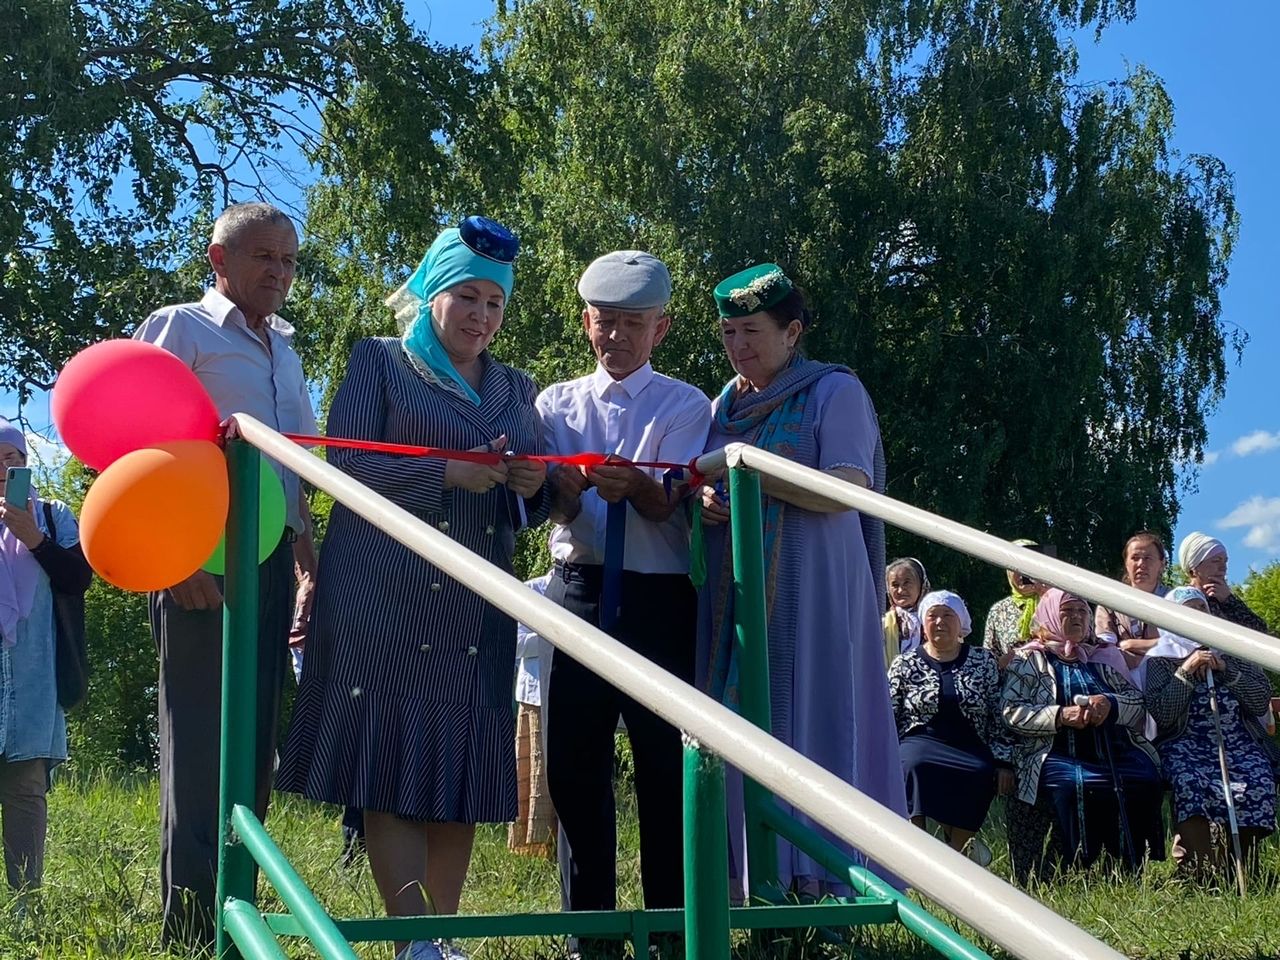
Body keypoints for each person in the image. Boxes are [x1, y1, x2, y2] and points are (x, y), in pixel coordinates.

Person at [277, 217, 546, 960]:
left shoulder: (519, 387)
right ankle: (410, 939)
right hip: (381, 592)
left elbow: (544, 494)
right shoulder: (378, 363)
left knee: (459, 764)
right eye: (467, 296)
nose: (481, 316)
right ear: (430, 292)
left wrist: (532, 480)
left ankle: (442, 937)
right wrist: (445, 473)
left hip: (472, 599)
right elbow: (343, 468)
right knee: (388, 762)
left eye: (495, 303)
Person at [133, 202, 318, 948]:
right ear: (219, 260)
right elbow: (134, 447)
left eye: (289, 261)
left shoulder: (287, 348)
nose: (278, 272)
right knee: (203, 746)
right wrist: (169, 560)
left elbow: (293, 460)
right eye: (263, 257)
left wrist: (307, 553)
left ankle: (236, 913)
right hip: (197, 558)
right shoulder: (180, 327)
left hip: (271, 558)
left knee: (255, 742)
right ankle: (190, 927)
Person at [695, 263, 906, 898]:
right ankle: (747, 883)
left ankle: (823, 882)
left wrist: (745, 479)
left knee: (815, 719)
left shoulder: (833, 391)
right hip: (740, 598)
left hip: (814, 595)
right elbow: (708, 481)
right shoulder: (720, 407)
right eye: (728, 333)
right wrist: (709, 502)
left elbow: (846, 488)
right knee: (739, 724)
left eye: (752, 331)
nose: (739, 347)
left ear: (793, 333)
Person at [537, 250, 710, 939]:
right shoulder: (554, 402)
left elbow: (670, 503)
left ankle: (671, 929)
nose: (617, 338)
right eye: (605, 323)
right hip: (576, 591)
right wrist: (557, 492)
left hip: (659, 600)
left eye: (632, 325)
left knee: (665, 767)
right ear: (585, 323)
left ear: (660, 330)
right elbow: (546, 506)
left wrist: (640, 488)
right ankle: (593, 936)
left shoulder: (686, 404)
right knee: (574, 767)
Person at [1001, 589, 1165, 882]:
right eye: (1067, 611)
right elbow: (1011, 711)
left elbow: (1137, 702)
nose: (1076, 617)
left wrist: (1110, 705)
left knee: (1143, 777)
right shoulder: (1029, 658)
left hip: (1114, 750)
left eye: (1082, 612)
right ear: (1050, 614)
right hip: (1053, 752)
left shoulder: (1104, 656)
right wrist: (1060, 716)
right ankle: (1075, 867)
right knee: (1075, 784)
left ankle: (1127, 867)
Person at [0, 421, 92, 894]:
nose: (1, 469)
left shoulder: (53, 517)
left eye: (10, 459)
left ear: (24, 465)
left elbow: (79, 579)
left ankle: (25, 901)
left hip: (36, 674)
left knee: (25, 787)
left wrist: (31, 537)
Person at [1145, 586, 1279, 876]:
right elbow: (1163, 714)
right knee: (1189, 780)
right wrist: (1186, 673)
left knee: (1258, 778)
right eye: (1188, 611)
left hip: (1238, 742)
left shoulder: (1233, 651)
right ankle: (1201, 869)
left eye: (1201, 609)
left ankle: (1239, 865)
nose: (1197, 617)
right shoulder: (1160, 659)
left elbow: (1259, 699)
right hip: (1185, 743)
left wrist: (1228, 670)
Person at [887, 591, 1013, 865]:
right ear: (923, 623)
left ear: (962, 623)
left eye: (948, 615)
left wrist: (1004, 761)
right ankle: (914, 859)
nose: (940, 621)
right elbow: (889, 713)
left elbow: (997, 713)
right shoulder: (905, 664)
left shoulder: (983, 661)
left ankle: (955, 861)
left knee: (981, 772)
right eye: (932, 615)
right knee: (913, 767)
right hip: (919, 740)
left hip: (970, 743)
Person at [509, 572, 557, 859]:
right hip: (535, 697)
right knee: (535, 775)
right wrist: (553, 634)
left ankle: (557, 844)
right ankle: (535, 848)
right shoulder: (530, 590)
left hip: (563, 694)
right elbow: (514, 643)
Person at [1093, 532, 1170, 660]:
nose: (1141, 564)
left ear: (1161, 565)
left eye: (1148, 558)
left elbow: (1183, 644)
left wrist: (1134, 644)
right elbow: (1105, 645)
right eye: (1135, 558)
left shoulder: (1176, 601)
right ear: (1126, 564)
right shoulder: (1110, 603)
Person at [982, 540, 1050, 671]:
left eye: (1027, 565)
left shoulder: (1060, 602)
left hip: (1054, 682)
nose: (1021, 573)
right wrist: (1009, 659)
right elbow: (989, 659)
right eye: (1015, 567)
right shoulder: (1000, 610)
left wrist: (1047, 594)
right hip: (1014, 683)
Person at [883, 557, 930, 669]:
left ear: (922, 585)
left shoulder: (938, 621)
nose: (900, 590)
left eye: (907, 583)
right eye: (895, 585)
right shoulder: (883, 625)